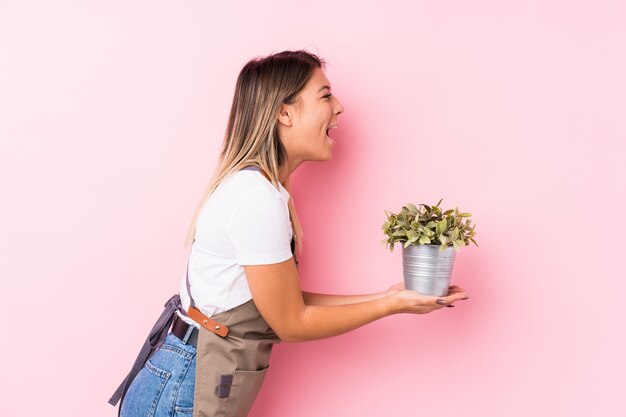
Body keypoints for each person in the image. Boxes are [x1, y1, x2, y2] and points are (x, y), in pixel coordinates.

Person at [110, 50, 468, 417]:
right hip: (183, 387)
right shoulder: (255, 198)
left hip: (185, 376)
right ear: (284, 112)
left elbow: (286, 303)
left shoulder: (263, 192)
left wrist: (390, 296)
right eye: (325, 95)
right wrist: (390, 306)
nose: (339, 107)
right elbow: (292, 323)